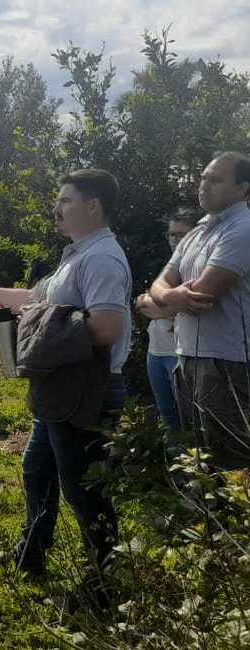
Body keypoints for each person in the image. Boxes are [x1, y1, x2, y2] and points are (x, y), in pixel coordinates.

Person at [0, 169, 131, 592]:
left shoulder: (101, 258)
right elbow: (32, 298)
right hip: (60, 389)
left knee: (83, 490)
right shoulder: (77, 254)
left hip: (87, 390)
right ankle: (32, 554)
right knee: (36, 472)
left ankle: (105, 583)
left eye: (65, 200)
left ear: (93, 205)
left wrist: (44, 321)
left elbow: (106, 327)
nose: (56, 208)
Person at [150, 151, 250, 469]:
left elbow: (204, 296)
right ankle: (207, 519)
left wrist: (163, 300)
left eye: (216, 180)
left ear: (243, 189)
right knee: (200, 458)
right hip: (189, 358)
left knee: (232, 465)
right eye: (203, 178)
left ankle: (232, 520)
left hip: (229, 363)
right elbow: (160, 284)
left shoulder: (243, 229)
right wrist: (172, 297)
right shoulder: (196, 233)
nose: (204, 185)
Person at [135, 210, 196, 435]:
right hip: (155, 353)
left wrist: (155, 304)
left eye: (181, 235)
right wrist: (158, 306)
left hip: (180, 355)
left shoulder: (196, 269)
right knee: (167, 416)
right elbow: (141, 304)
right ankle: (174, 466)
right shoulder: (167, 268)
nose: (175, 240)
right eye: (172, 234)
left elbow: (166, 306)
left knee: (188, 418)